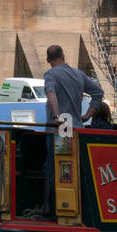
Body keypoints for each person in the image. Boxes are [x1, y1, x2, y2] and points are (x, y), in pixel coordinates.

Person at [41, 45, 104, 217]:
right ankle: (76, 207)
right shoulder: (79, 75)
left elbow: (51, 94)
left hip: (60, 129)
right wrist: (87, 115)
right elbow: (98, 93)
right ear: (63, 55)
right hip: (76, 128)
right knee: (72, 166)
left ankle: (48, 207)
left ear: (48, 59)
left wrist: (56, 117)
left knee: (52, 167)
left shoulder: (50, 74)